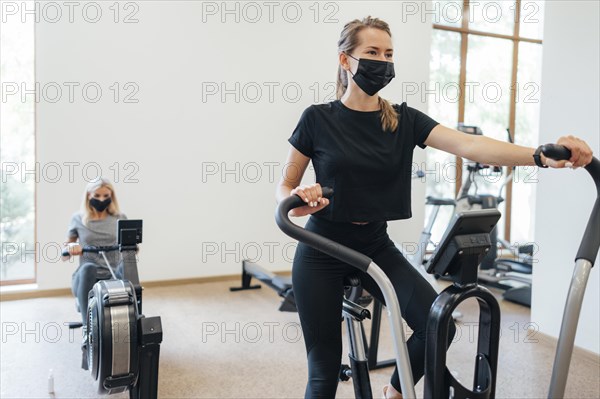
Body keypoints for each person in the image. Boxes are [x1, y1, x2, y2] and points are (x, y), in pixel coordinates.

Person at [275, 16, 593, 399]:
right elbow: (285, 187)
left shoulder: (403, 120)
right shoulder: (316, 119)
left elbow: (469, 146)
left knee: (438, 322)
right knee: (323, 374)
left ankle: (394, 393)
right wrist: (297, 203)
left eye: (389, 54)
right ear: (346, 60)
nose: (383, 61)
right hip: (321, 250)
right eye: (372, 53)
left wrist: (539, 156)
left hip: (375, 245)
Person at [61, 177, 127, 326]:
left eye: (106, 196)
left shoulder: (119, 218)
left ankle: (131, 319)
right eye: (97, 196)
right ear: (88, 195)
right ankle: (87, 327)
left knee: (126, 265)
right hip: (86, 277)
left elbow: (132, 250)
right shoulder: (78, 218)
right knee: (89, 267)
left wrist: (132, 247)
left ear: (111, 196)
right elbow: (64, 255)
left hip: (112, 276)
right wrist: (70, 248)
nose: (101, 199)